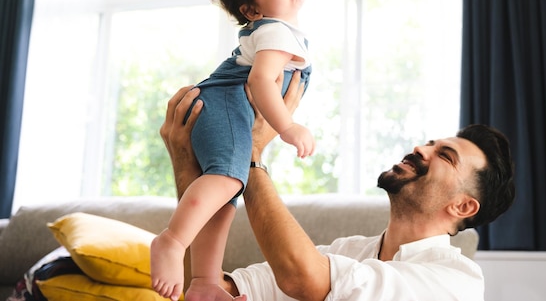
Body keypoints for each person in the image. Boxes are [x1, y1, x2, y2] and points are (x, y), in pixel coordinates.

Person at [159, 72, 516, 301]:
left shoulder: (456, 281)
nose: (421, 149)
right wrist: (186, 163)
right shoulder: (348, 251)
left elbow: (301, 278)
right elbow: (211, 289)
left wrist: (249, 153)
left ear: (463, 207)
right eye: (430, 143)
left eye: (445, 156)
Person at [151, 0, 315, 301]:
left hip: (226, 108)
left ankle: (205, 282)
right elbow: (258, 80)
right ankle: (172, 240)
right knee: (226, 180)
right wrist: (286, 127)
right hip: (226, 104)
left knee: (224, 197)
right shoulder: (275, 31)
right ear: (252, 10)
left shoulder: (280, 30)